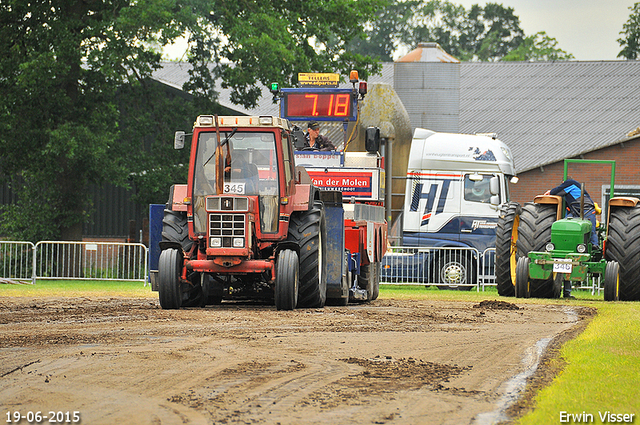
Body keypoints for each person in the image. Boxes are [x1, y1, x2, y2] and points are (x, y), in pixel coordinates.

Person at [545, 178, 598, 299]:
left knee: (591, 229)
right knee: (566, 224)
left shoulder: (571, 184)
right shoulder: (572, 192)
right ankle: (567, 292)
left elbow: (555, 191)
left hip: (586, 210)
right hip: (574, 212)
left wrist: (550, 191)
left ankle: (594, 245)